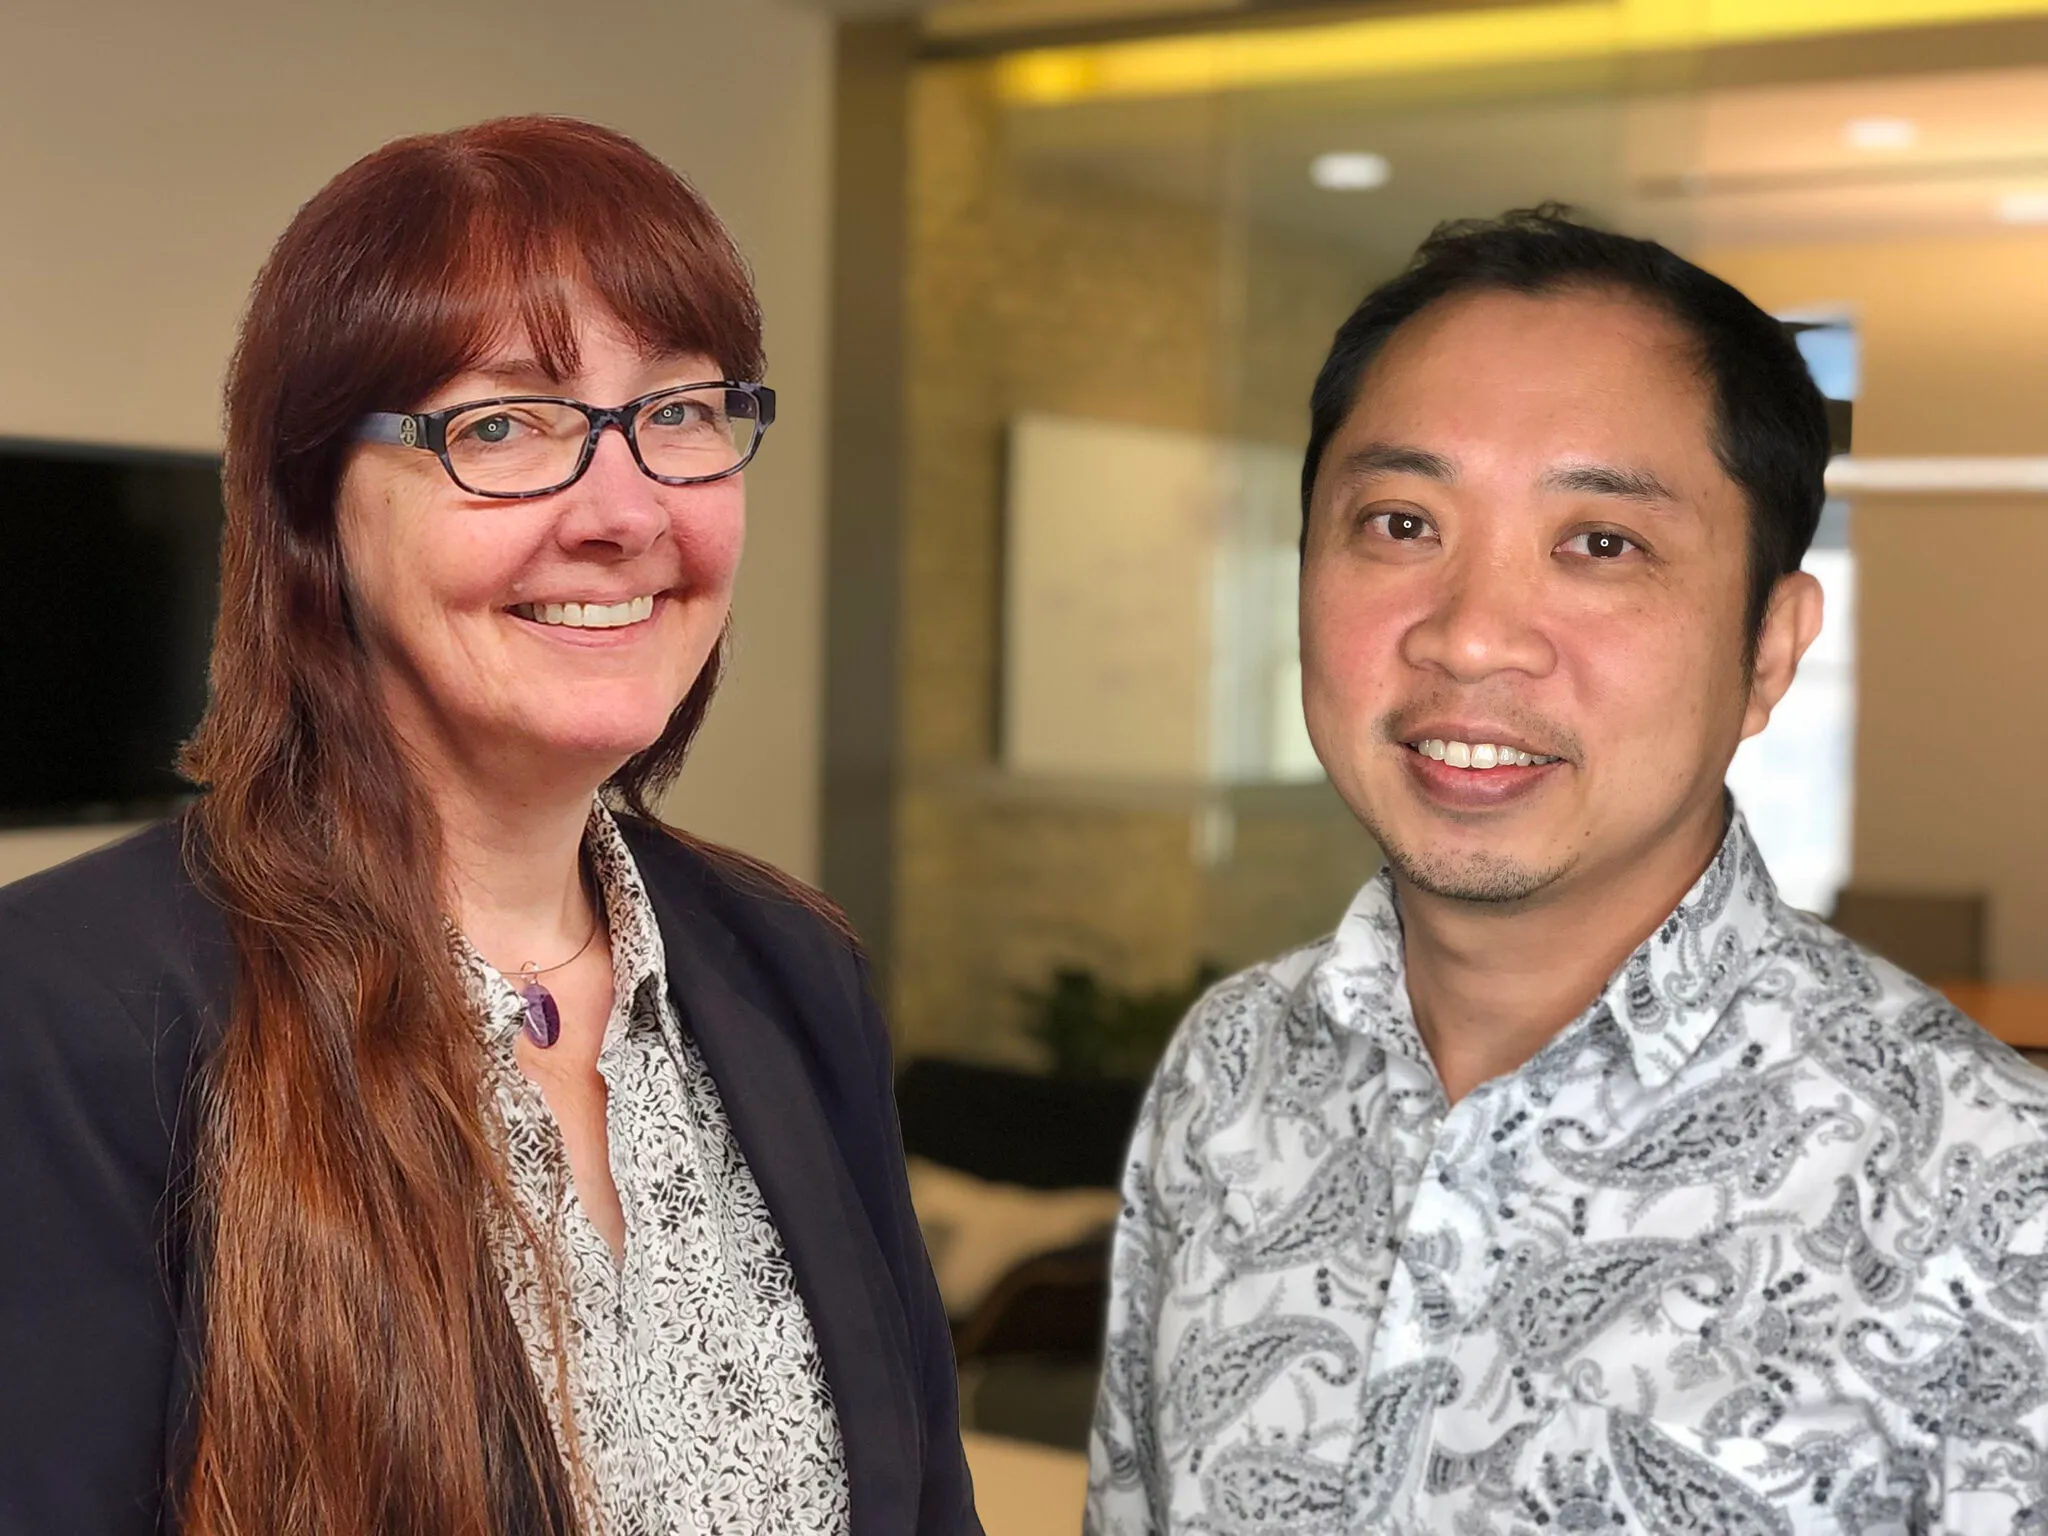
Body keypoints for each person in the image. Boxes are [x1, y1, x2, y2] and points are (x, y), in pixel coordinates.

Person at [0, 117, 978, 1536]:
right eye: (506, 425)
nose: (627, 510)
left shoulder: (793, 970)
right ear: (313, 508)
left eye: (683, 411)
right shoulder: (64, 1011)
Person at [1085, 207, 2048, 1534]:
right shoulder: (1230, 1072)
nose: (1472, 638)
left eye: (1602, 542)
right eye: (1401, 522)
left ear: (1769, 649)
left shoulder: (1994, 1195)